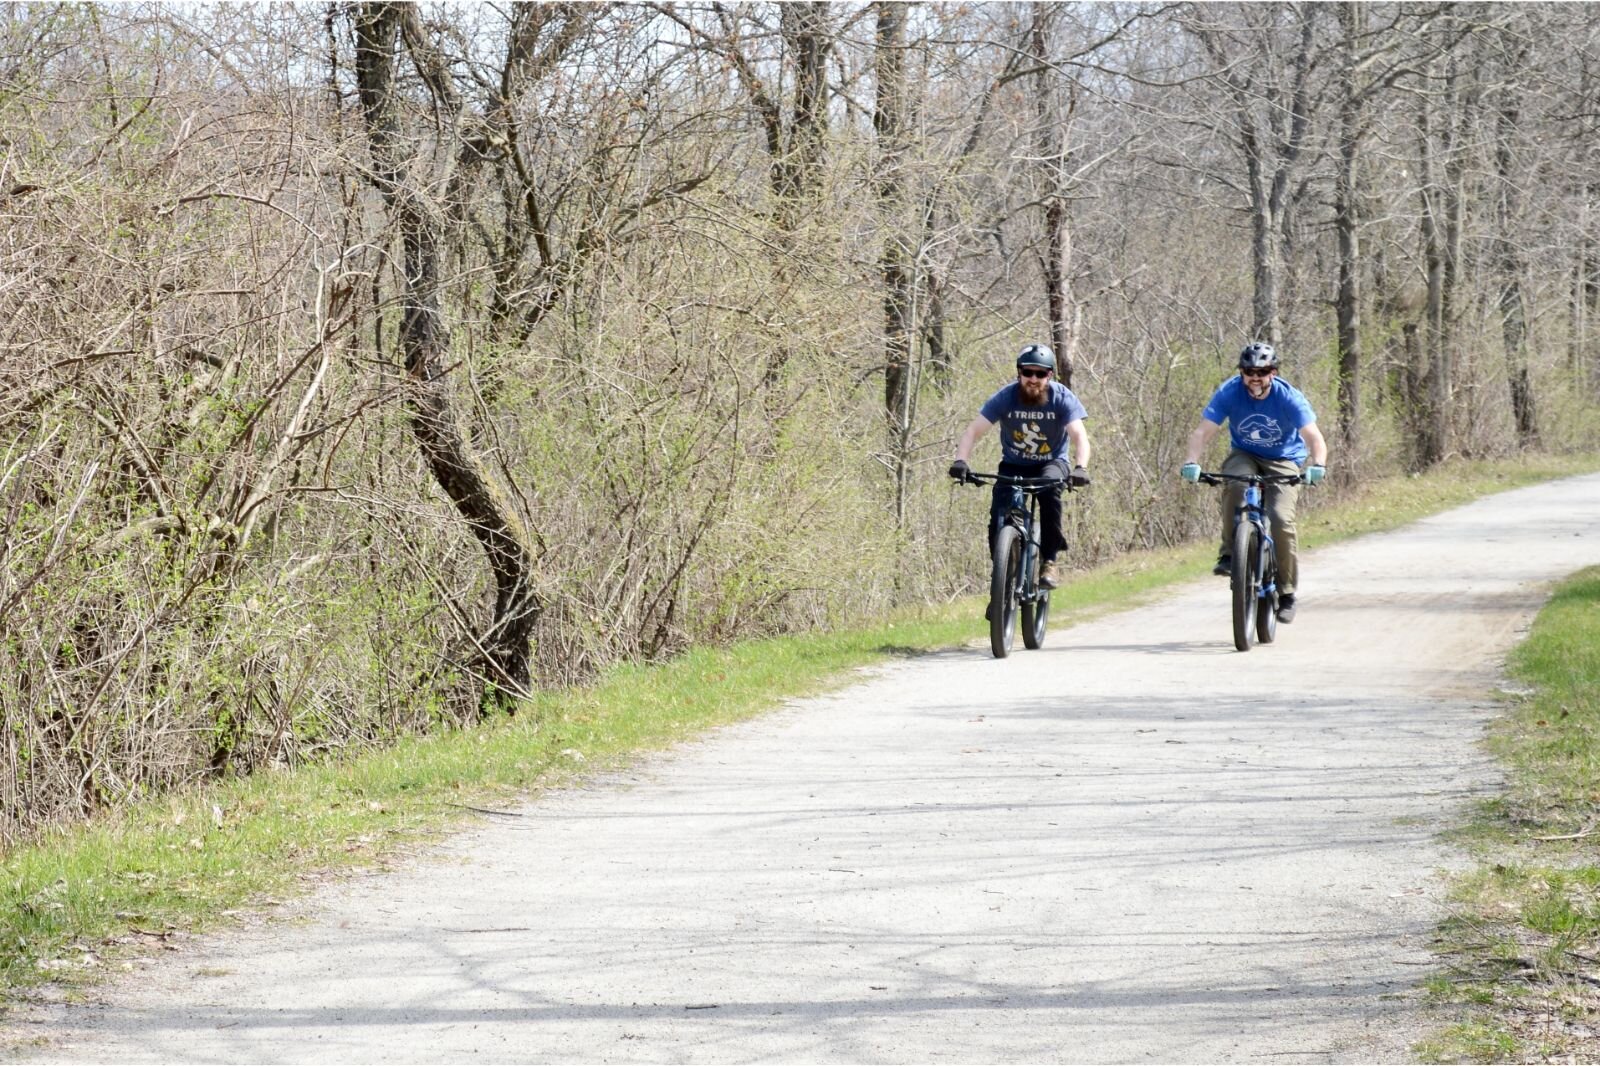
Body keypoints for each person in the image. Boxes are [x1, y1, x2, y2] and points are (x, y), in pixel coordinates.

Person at [1180, 342, 1327, 623]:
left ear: (1273, 372)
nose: (1255, 377)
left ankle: (1286, 593)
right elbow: (1202, 432)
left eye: (1262, 371)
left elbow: (1314, 437)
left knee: (1281, 518)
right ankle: (1229, 555)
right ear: (1242, 373)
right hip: (1245, 454)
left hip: (1284, 459)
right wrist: (1191, 461)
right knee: (1235, 483)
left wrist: (1318, 465)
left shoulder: (1289, 397)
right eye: (1249, 371)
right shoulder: (1229, 392)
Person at [949, 344, 1091, 590]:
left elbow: (1079, 436)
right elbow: (973, 431)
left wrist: (1081, 467)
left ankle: (1049, 561)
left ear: (1050, 376)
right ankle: (1002, 583)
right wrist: (961, 461)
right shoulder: (1005, 397)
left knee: (1050, 494)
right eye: (1028, 373)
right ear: (1019, 373)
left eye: (1040, 374)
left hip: (1052, 462)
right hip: (1014, 464)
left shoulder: (1062, 397)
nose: (1033, 379)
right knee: (998, 517)